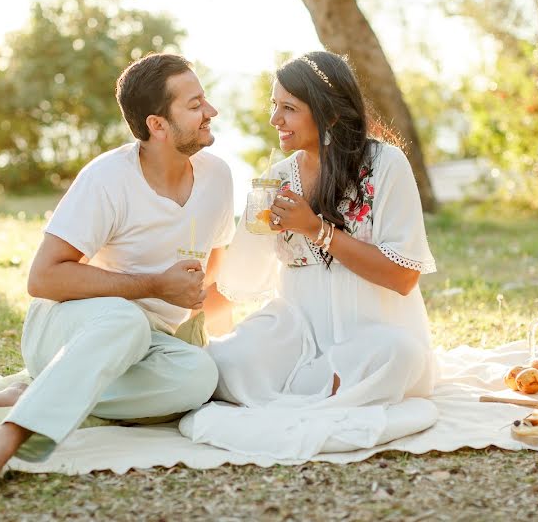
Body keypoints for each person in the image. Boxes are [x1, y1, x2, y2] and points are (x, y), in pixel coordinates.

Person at [0, 53, 236, 498]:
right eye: (195, 105)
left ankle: (29, 394)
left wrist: (215, 332)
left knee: (199, 377)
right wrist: (154, 285)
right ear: (157, 125)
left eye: (205, 100)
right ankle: (5, 442)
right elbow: (43, 279)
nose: (210, 111)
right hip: (71, 327)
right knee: (126, 321)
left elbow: (212, 273)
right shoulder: (107, 179)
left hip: (149, 344)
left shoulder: (218, 177)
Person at [181, 52, 438, 457]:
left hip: (371, 339)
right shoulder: (279, 178)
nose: (274, 120)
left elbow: (402, 277)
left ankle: (300, 392)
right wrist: (176, 325)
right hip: (297, 337)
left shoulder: (386, 165)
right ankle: (320, 389)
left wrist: (315, 228)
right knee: (225, 362)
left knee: (401, 355)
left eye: (288, 108)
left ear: (330, 114)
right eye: (274, 105)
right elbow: (238, 284)